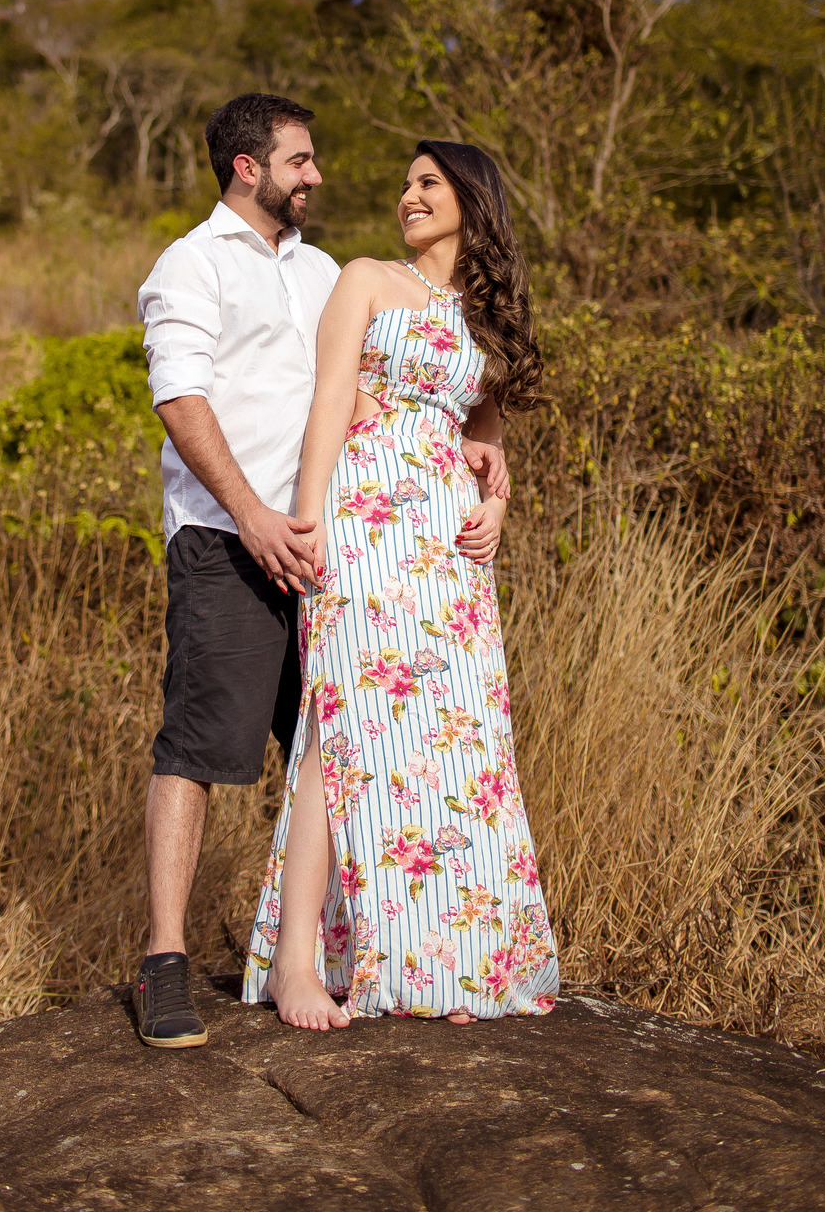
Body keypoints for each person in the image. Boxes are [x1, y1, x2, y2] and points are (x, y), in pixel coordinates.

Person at [132, 97, 513, 1048]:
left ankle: (377, 949)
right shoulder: (194, 263)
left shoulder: (324, 270)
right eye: (301, 161)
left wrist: (483, 463)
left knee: (352, 744)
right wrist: (259, 517)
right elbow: (179, 396)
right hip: (232, 536)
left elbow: (394, 390)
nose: (319, 177)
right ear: (248, 168)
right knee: (202, 742)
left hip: (341, 536)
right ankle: (165, 961)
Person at [242, 139, 559, 1029]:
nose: (407, 196)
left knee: (454, 741)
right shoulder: (367, 279)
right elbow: (328, 404)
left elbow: (487, 437)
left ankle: (445, 960)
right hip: (366, 520)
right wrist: (307, 531)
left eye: (428, 183)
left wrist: (498, 506)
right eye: (407, 183)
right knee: (341, 729)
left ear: (471, 198)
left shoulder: (482, 317)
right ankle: (297, 966)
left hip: (449, 546)